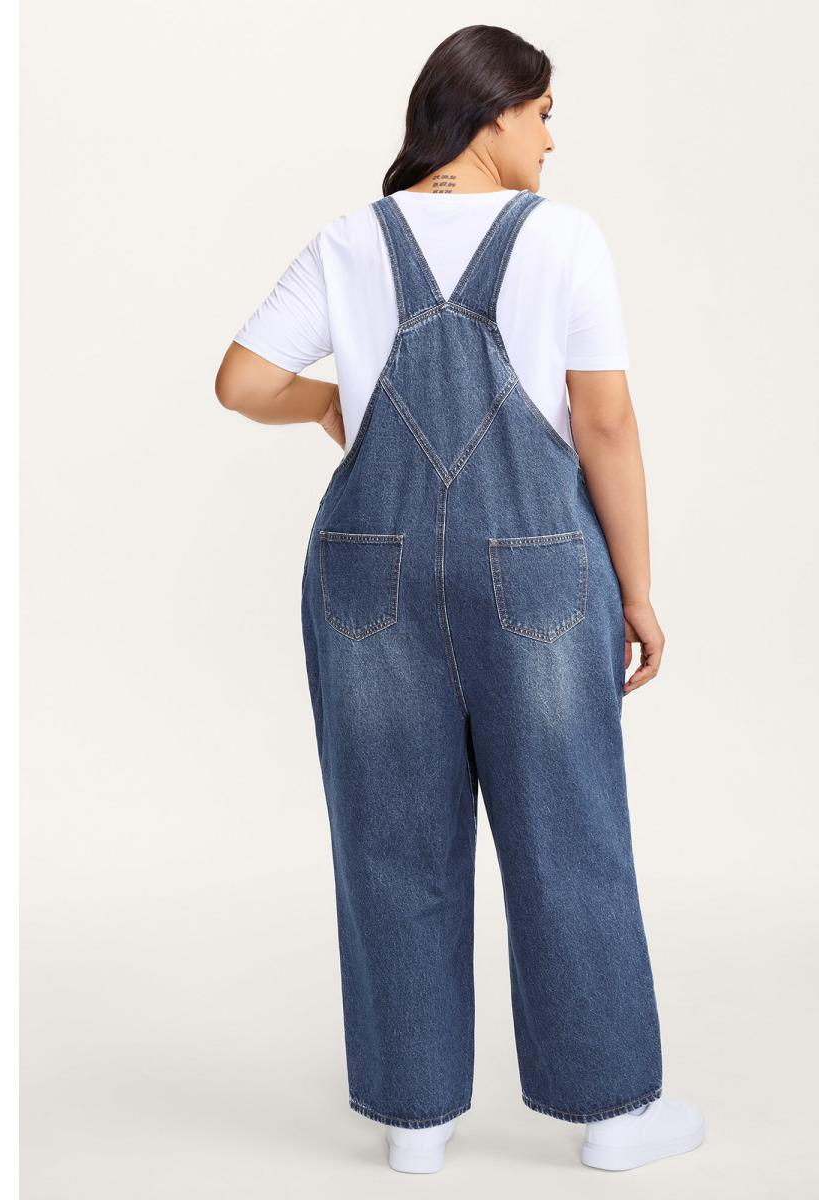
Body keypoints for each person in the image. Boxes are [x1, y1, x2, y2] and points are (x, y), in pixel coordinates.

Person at [215, 23, 705, 1175]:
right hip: (536, 570)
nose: (551, 140)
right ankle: (612, 1118)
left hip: (366, 574)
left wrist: (328, 404)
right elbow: (605, 423)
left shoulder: (351, 240)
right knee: (568, 832)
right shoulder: (562, 238)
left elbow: (241, 382)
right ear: (493, 113)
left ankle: (417, 1122)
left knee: (392, 839)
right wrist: (637, 589)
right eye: (543, 114)